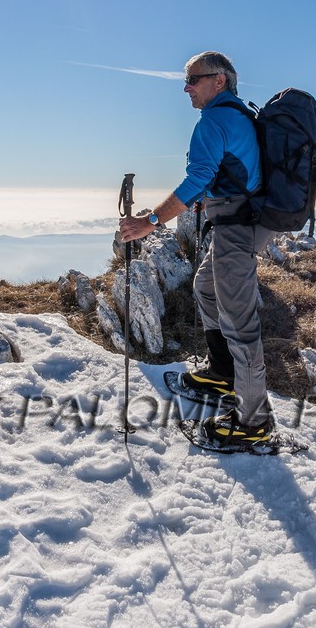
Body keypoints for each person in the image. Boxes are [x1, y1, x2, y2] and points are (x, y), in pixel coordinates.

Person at [117, 51, 275, 446]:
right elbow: (225, 174)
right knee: (205, 286)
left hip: (237, 229)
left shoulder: (214, 120)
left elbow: (196, 179)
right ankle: (223, 373)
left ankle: (253, 422)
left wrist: (148, 223)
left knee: (240, 324)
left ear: (218, 80)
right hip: (242, 221)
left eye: (193, 79)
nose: (186, 88)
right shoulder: (238, 116)